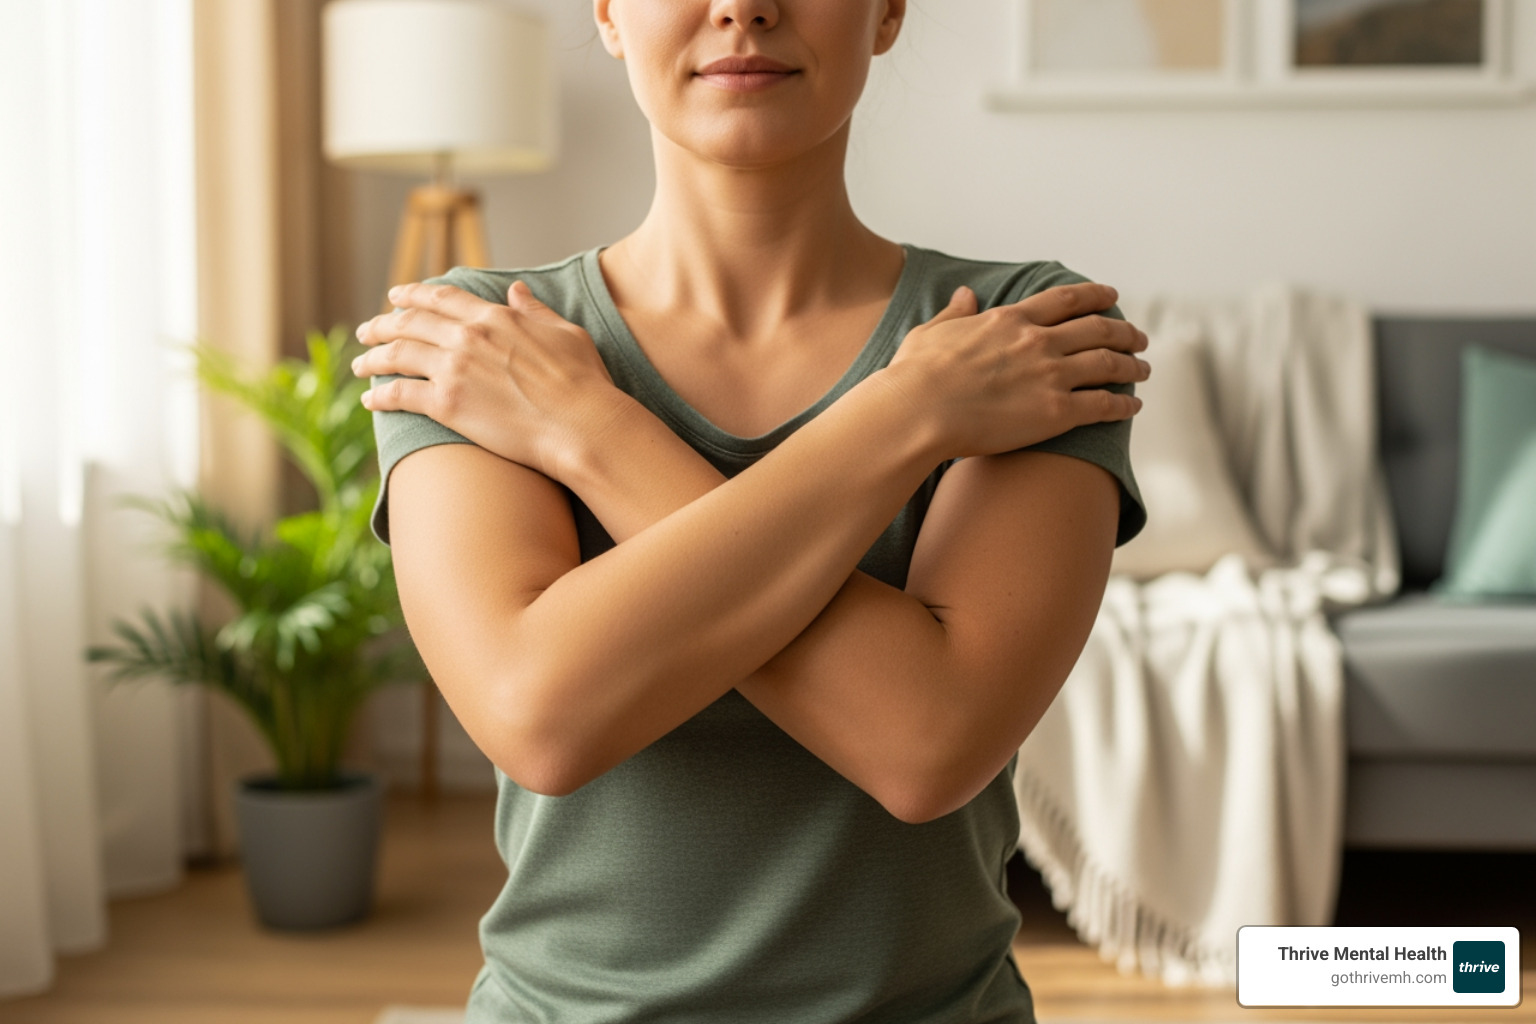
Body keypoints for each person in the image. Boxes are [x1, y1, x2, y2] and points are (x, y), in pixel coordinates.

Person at [351, 1, 1149, 1020]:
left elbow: (927, 745)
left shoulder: (1024, 334)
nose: (744, 8)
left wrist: (591, 437)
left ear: (888, 10)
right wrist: (908, 415)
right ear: (607, 12)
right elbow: (542, 717)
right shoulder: (481, 339)